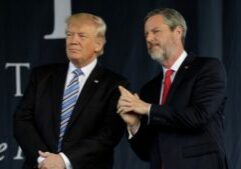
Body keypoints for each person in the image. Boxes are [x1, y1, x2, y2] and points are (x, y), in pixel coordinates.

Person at [117, 8, 228, 169]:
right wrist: (134, 125)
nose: (149, 38)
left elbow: (198, 116)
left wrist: (148, 108)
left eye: (155, 31)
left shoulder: (207, 68)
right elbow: (146, 153)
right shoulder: (150, 89)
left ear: (177, 32)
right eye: (146, 34)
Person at [14, 13, 128, 169]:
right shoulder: (42, 76)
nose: (73, 41)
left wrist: (64, 160)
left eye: (81, 36)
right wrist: (43, 160)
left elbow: (108, 134)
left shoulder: (114, 84)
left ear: (98, 44)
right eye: (69, 34)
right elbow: (22, 119)